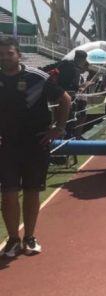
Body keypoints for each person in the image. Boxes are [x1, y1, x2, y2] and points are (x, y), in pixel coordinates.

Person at [0, 36, 71, 257]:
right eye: (1, 54)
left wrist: (58, 128)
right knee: (8, 194)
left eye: (9, 53)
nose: (5, 58)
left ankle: (29, 237)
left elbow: (65, 100)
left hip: (35, 145)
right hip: (7, 146)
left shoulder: (37, 77)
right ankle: (13, 240)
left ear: (18, 54)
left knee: (31, 191)